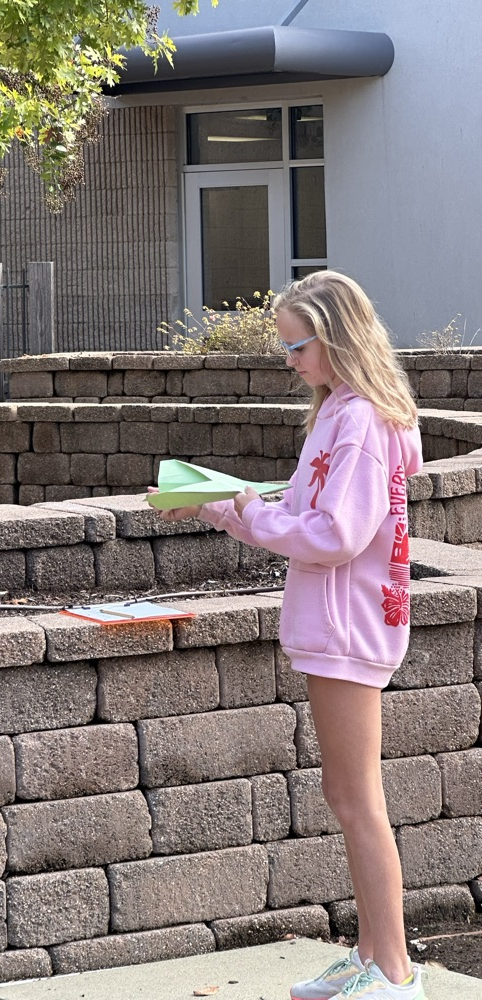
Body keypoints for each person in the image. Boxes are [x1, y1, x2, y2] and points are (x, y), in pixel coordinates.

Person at [150, 270, 425, 1000]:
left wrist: (241, 508)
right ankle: (371, 958)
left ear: (335, 338)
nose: (289, 361)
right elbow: (301, 515)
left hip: (347, 624)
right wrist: (219, 506)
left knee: (358, 799)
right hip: (338, 621)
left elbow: (334, 535)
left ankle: (393, 972)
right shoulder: (340, 413)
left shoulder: (361, 422)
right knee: (347, 793)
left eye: (296, 346)